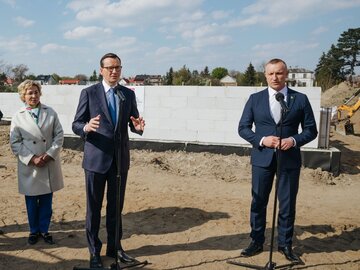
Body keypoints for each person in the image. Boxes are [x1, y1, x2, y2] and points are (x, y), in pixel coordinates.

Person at [238, 58, 318, 263]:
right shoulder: (254, 99)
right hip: (262, 159)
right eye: (271, 73)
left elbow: (311, 130)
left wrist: (293, 140)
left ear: (286, 74)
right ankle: (256, 241)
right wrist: (262, 139)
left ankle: (285, 244)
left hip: (289, 160)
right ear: (265, 75)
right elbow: (243, 128)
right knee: (258, 202)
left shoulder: (299, 99)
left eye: (279, 73)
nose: (275, 77)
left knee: (287, 204)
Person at [72, 53, 145, 268]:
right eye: (111, 68)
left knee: (116, 208)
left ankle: (115, 248)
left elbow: (133, 122)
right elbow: (76, 124)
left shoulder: (127, 95)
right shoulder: (89, 93)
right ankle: (94, 252)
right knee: (93, 209)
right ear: (101, 70)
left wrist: (137, 128)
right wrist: (85, 128)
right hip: (95, 161)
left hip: (119, 161)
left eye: (118, 67)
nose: (115, 71)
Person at [10, 80, 64, 245]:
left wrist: (48, 155)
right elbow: (15, 142)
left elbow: (59, 136)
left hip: (48, 163)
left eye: (35, 92)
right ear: (23, 96)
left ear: (40, 93)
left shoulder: (51, 112)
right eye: (29, 93)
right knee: (32, 201)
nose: (33, 95)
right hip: (30, 165)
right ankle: (34, 231)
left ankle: (45, 230)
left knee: (47, 201)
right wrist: (32, 158)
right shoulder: (17, 116)